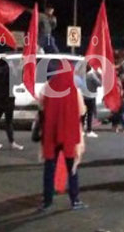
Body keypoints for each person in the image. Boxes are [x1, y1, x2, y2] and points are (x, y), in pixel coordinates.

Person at [39, 63, 87, 211]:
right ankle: (75, 200)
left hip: (51, 133)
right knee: (71, 168)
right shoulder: (74, 90)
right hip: (69, 133)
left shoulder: (47, 87)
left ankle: (47, 201)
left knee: (49, 169)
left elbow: (41, 106)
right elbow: (82, 110)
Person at [0, 57, 23, 151]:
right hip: (8, 100)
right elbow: (18, 82)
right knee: (9, 122)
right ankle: (12, 142)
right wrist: (18, 68)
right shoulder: (9, 72)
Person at [83, 63, 101, 138]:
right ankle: (89, 130)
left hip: (83, 96)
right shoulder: (92, 76)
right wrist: (99, 75)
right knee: (90, 114)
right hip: (91, 96)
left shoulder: (82, 76)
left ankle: (81, 130)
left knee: (83, 114)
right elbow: (99, 84)